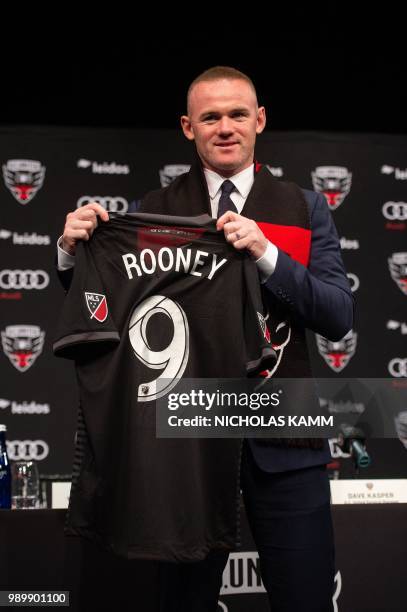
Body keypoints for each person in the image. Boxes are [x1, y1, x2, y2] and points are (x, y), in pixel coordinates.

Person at [57, 66, 354, 612]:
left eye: (238, 114)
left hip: (285, 440)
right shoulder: (157, 207)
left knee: (307, 598)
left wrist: (268, 256)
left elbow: (338, 315)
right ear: (187, 127)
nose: (225, 127)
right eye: (210, 116)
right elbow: (113, 311)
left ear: (259, 120)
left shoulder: (304, 207)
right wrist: (72, 255)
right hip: (185, 447)